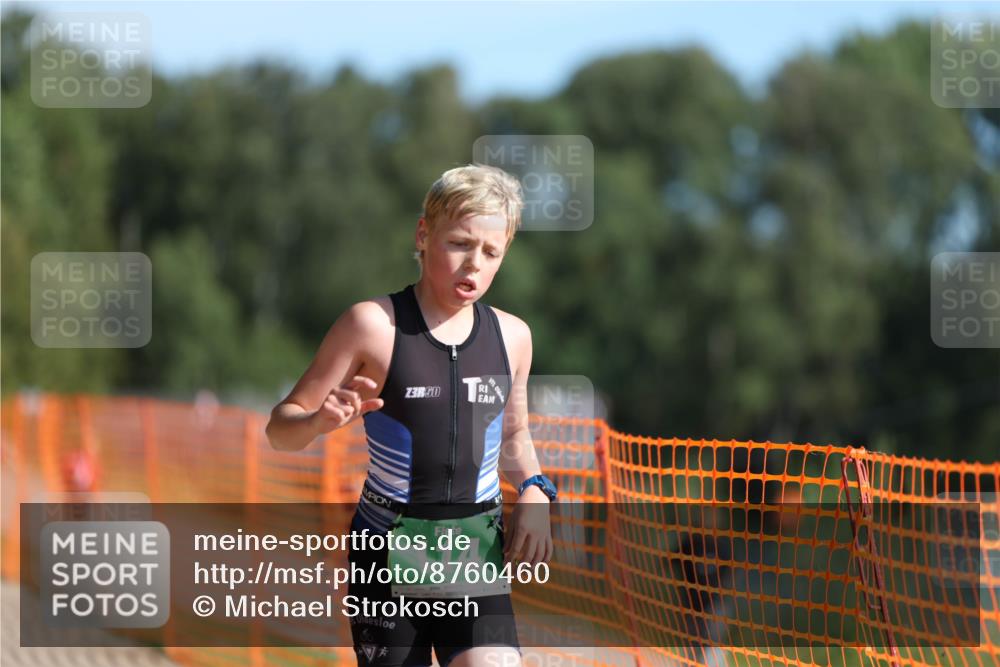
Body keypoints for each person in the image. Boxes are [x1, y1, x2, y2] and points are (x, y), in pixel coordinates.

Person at [266, 164, 557, 667]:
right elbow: (279, 430)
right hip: (385, 552)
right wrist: (315, 423)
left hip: (474, 552)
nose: (474, 265)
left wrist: (535, 488)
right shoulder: (371, 325)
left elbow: (513, 435)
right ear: (423, 235)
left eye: (491, 252)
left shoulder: (513, 337)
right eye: (460, 244)